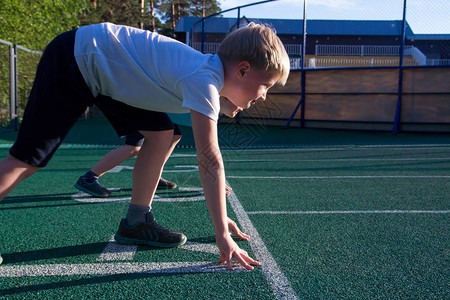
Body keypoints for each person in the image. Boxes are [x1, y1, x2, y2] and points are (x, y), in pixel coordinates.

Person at [0, 22, 290, 270]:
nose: (264, 96)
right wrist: (221, 233)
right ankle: (136, 221)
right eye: (266, 85)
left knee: (163, 133)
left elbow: (213, 127)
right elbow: (209, 158)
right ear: (242, 70)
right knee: (27, 159)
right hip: (77, 58)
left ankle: (136, 222)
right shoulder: (204, 80)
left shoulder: (204, 73)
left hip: (101, 69)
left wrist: (221, 213)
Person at [75, 130, 180, 198]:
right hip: (141, 101)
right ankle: (88, 178)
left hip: (150, 101)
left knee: (174, 134)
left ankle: (151, 174)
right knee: (133, 147)